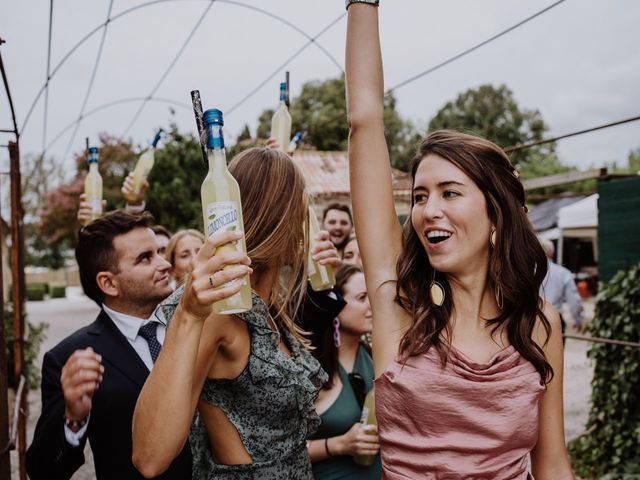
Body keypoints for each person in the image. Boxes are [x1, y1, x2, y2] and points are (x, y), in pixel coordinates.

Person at [344, 2, 573, 479]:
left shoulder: (539, 325)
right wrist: (362, 5)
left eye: (450, 193)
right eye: (421, 196)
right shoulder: (398, 307)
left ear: (495, 215)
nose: (429, 210)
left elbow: (551, 463)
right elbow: (364, 120)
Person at [132, 147, 340, 479]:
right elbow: (149, 456)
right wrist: (188, 315)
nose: (308, 227)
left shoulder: (270, 304)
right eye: (304, 214)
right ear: (282, 220)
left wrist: (322, 281)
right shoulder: (221, 307)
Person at [25, 210, 249, 479]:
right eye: (146, 258)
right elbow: (43, 471)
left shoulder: (205, 323)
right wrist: (72, 419)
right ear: (109, 283)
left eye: (159, 252)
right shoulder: (68, 357)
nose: (164, 264)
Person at [304, 264, 382, 480]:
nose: (371, 305)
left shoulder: (375, 357)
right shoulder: (312, 368)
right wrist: (339, 445)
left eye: (372, 296)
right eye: (362, 297)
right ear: (335, 305)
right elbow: (279, 450)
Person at [539, 238, 584, 333]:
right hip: (555, 319)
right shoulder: (563, 273)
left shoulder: (527, 273)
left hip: (531, 320)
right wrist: (577, 320)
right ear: (552, 253)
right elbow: (574, 301)